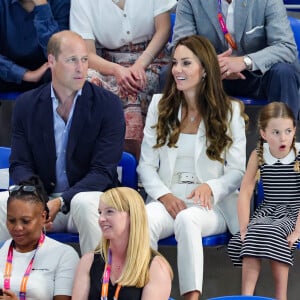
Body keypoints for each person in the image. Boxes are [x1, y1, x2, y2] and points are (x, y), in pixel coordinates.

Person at [137, 35, 248, 300]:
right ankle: (144, 292)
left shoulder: (230, 111)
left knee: (188, 219)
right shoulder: (159, 106)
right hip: (168, 199)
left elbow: (237, 172)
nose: (177, 69)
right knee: (145, 218)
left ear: (205, 69)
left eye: (186, 63)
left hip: (211, 206)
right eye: (175, 63)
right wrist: (164, 196)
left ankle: (191, 296)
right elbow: (146, 166)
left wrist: (211, 186)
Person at [0, 30, 126, 255]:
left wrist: (59, 203)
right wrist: (37, 201)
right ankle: (6, 282)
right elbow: (19, 163)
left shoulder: (108, 105)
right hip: (42, 202)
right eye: (72, 60)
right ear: (51, 61)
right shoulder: (26, 105)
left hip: (86, 201)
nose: (81, 68)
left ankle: (99, 284)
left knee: (84, 203)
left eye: (85, 59)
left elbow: (103, 171)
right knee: (2, 204)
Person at [69, 0, 177, 158]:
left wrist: (140, 64)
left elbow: (164, 29)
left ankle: (139, 162)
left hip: (150, 58)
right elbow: (87, 55)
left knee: (136, 83)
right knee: (87, 84)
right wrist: (116, 70)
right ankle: (98, 160)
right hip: (107, 63)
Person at [162, 0, 300, 119]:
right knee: (169, 73)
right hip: (210, 75)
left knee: (284, 72)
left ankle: (283, 144)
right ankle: (173, 139)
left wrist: (245, 62)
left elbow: (286, 46)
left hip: (257, 74)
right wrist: (211, 64)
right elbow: (180, 46)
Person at [228, 102, 300, 300]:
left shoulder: (299, 155)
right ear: (264, 133)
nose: (283, 137)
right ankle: (246, 296)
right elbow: (245, 192)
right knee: (254, 231)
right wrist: (244, 226)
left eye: (287, 131)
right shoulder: (258, 155)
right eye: (276, 132)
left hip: (294, 211)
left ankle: (281, 296)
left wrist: (297, 231)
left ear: (294, 130)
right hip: (268, 210)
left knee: (275, 233)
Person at [72, 187, 173, 300]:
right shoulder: (88, 261)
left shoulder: (156, 268)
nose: (101, 219)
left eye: (109, 212)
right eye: (100, 212)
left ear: (132, 216)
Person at [0, 175, 79, 300]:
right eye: (11, 220)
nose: (17, 227)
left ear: (43, 217)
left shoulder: (65, 255)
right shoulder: (2, 249)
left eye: (25, 221)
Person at [0, 0, 70, 92]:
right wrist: (25, 75)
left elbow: (57, 53)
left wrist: (42, 6)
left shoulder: (61, 3)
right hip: (6, 71)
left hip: (47, 73)